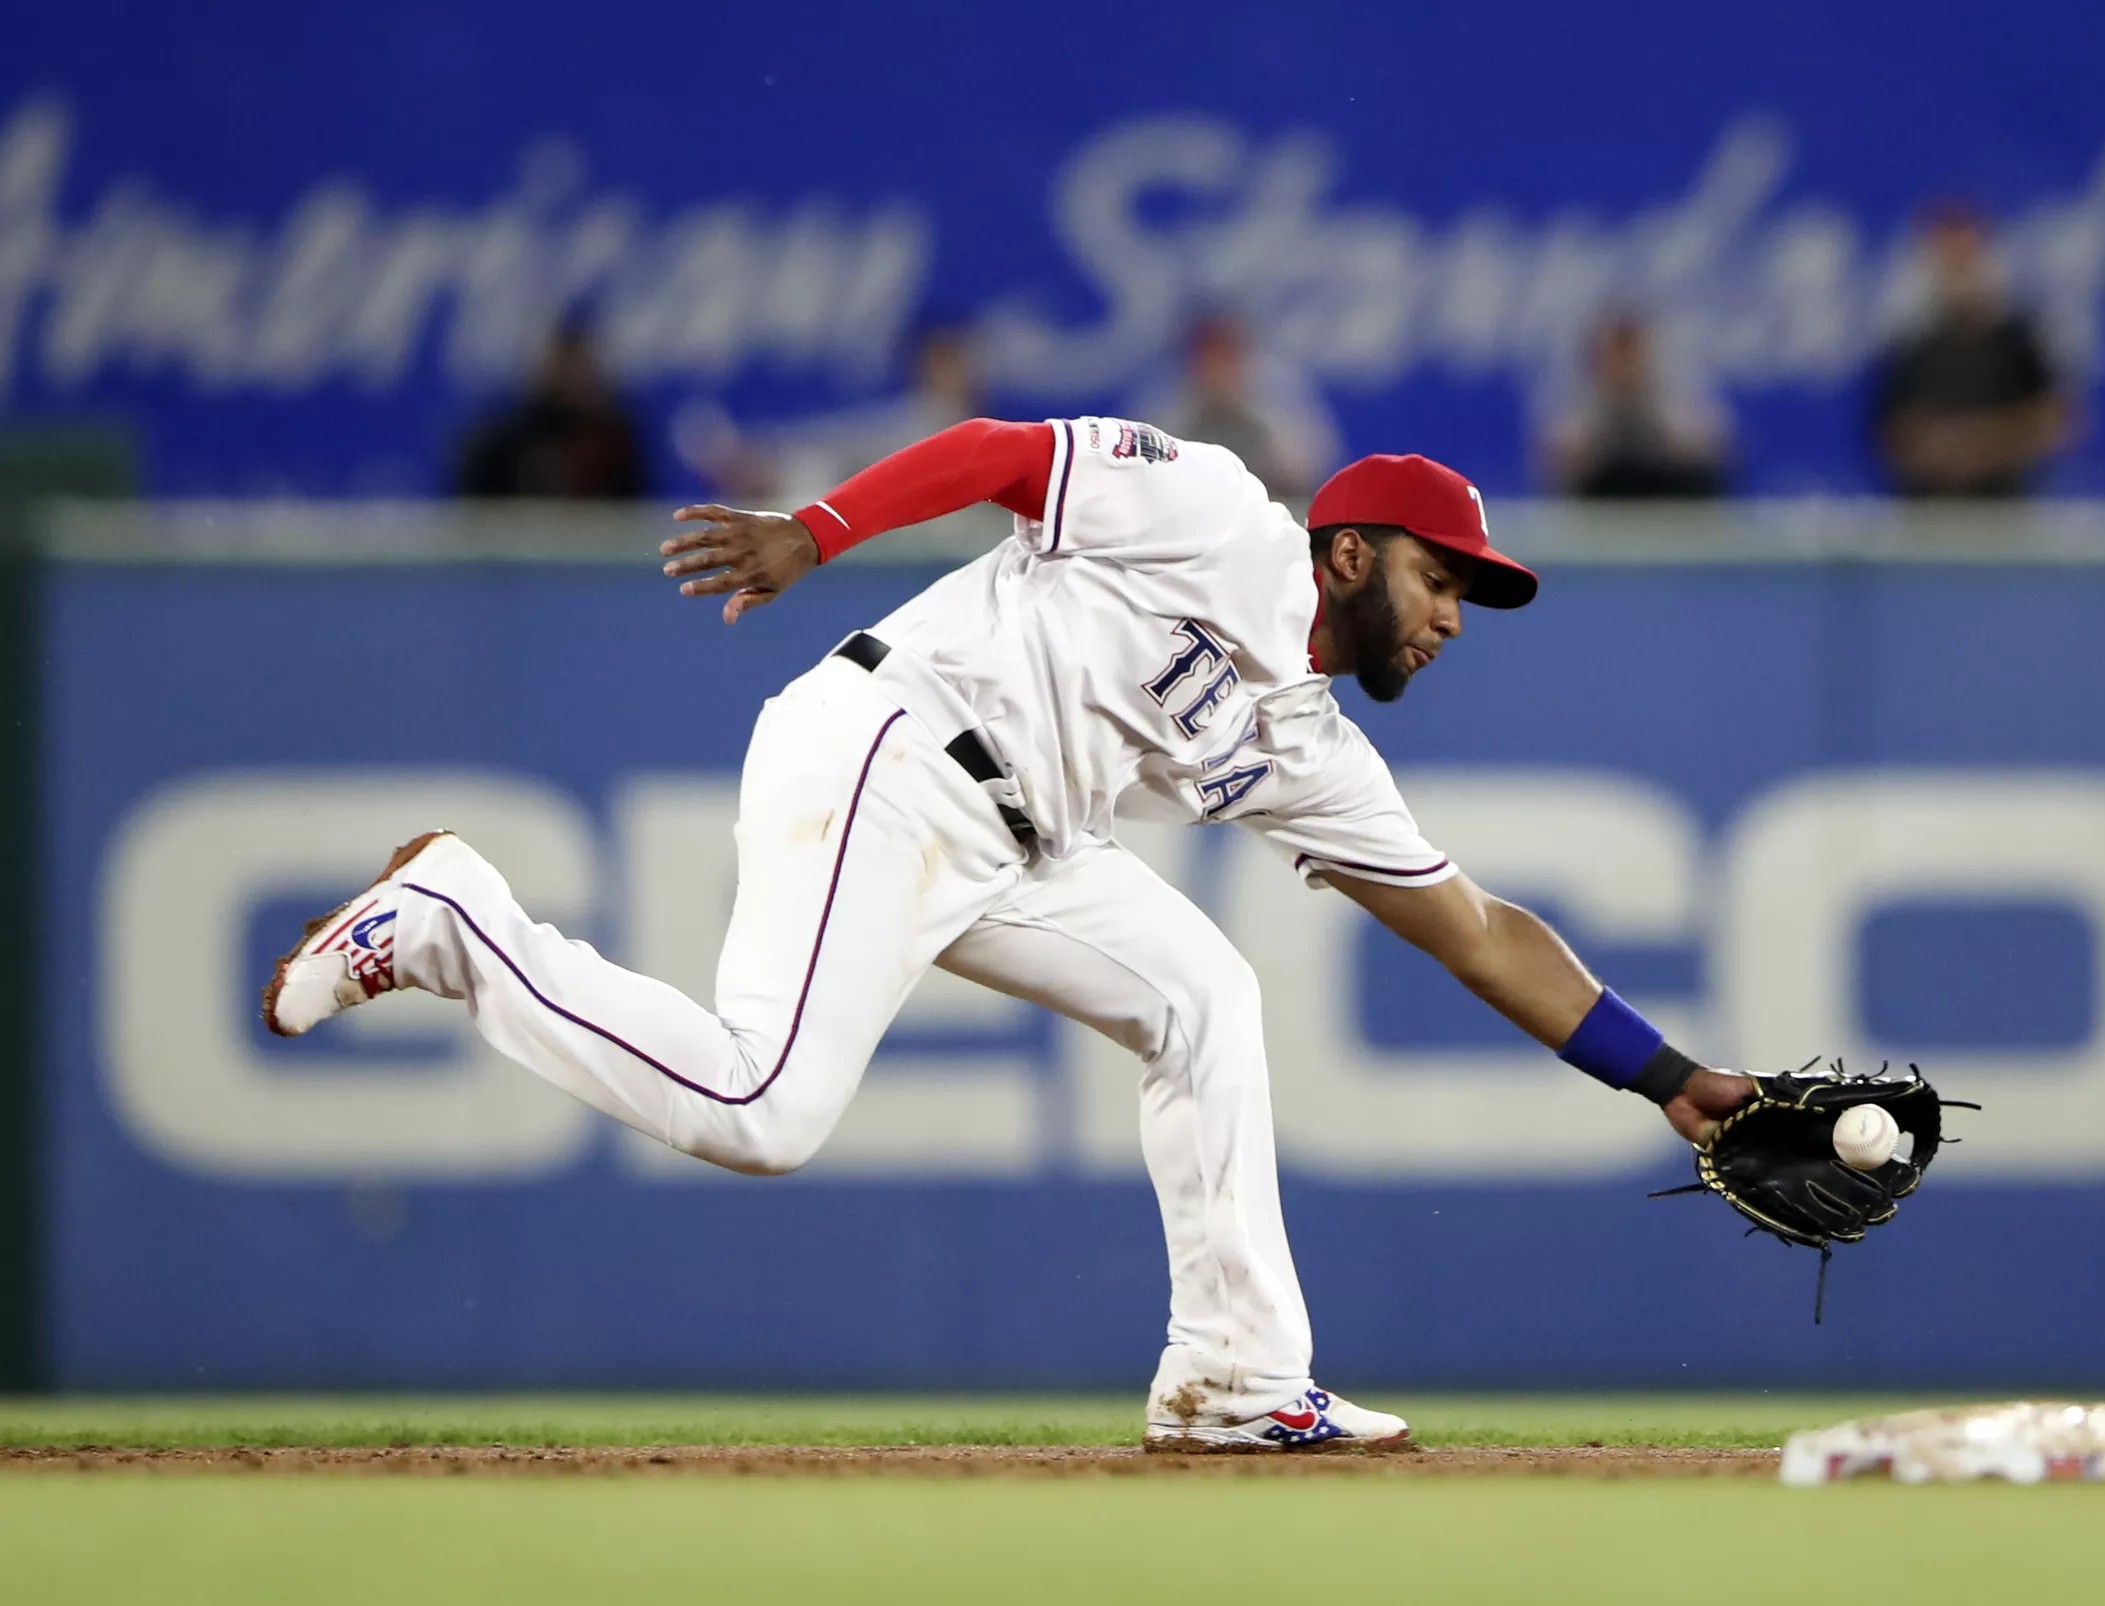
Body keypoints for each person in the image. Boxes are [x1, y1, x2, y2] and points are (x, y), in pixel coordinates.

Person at [263, 415, 1757, 1449]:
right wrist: (819, 530)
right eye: (1442, 578)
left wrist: (1673, 1080)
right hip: (890, 746)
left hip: (1021, 839)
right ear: (1353, 554)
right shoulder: (1219, 512)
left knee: (1203, 995)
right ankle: (459, 919)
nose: (1452, 618)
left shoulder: (1313, 748)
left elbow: (1478, 930)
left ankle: (1237, 1379)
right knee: (761, 1109)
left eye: (1470, 596)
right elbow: (1001, 453)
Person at [1870, 206, 2070, 499]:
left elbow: (2057, 422)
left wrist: (1979, 445)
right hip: (1929, 511)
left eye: (1966, 259)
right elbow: (1892, 437)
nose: (1958, 272)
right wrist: (1938, 449)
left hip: (2006, 511)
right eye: (1948, 261)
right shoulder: (1912, 349)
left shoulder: (2018, 343)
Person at [681, 323, 986, 512]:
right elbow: (851, 444)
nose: (954, 374)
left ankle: (757, 469)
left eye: (957, 364)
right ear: (923, 369)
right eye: (942, 364)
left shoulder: (972, 427)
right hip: (902, 528)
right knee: (814, 480)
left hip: (960, 542)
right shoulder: (919, 417)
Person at [1130, 316, 1342, 499]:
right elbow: (1144, 474)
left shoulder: (1277, 403)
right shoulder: (1168, 411)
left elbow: (1308, 470)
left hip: (1267, 511)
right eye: (1208, 361)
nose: (1216, 372)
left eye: (1224, 360)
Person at [1540, 314, 1731, 498]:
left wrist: (1671, 437)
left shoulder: (1677, 409)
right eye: (1615, 354)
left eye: (1632, 353)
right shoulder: (1579, 416)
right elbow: (1558, 460)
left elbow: (1712, 449)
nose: (1624, 366)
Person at [455, 319, 649, 499]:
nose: (573, 376)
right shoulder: (504, 441)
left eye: (580, 365)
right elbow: (477, 508)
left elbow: (625, 508)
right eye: (565, 365)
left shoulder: (612, 440)